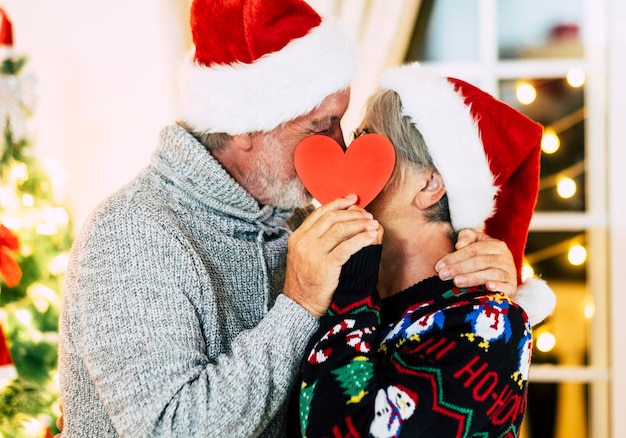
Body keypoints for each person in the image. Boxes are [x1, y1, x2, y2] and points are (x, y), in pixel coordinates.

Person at [57, 1, 526, 437]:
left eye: (343, 123)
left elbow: (415, 348)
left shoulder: (308, 217)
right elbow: (168, 428)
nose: (341, 146)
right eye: (321, 125)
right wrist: (297, 306)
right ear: (244, 125)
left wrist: (490, 278)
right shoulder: (133, 234)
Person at [293, 62, 556, 437]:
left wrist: (353, 283)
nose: (348, 155)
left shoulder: (490, 325)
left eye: (369, 141)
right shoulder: (326, 280)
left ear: (431, 184)